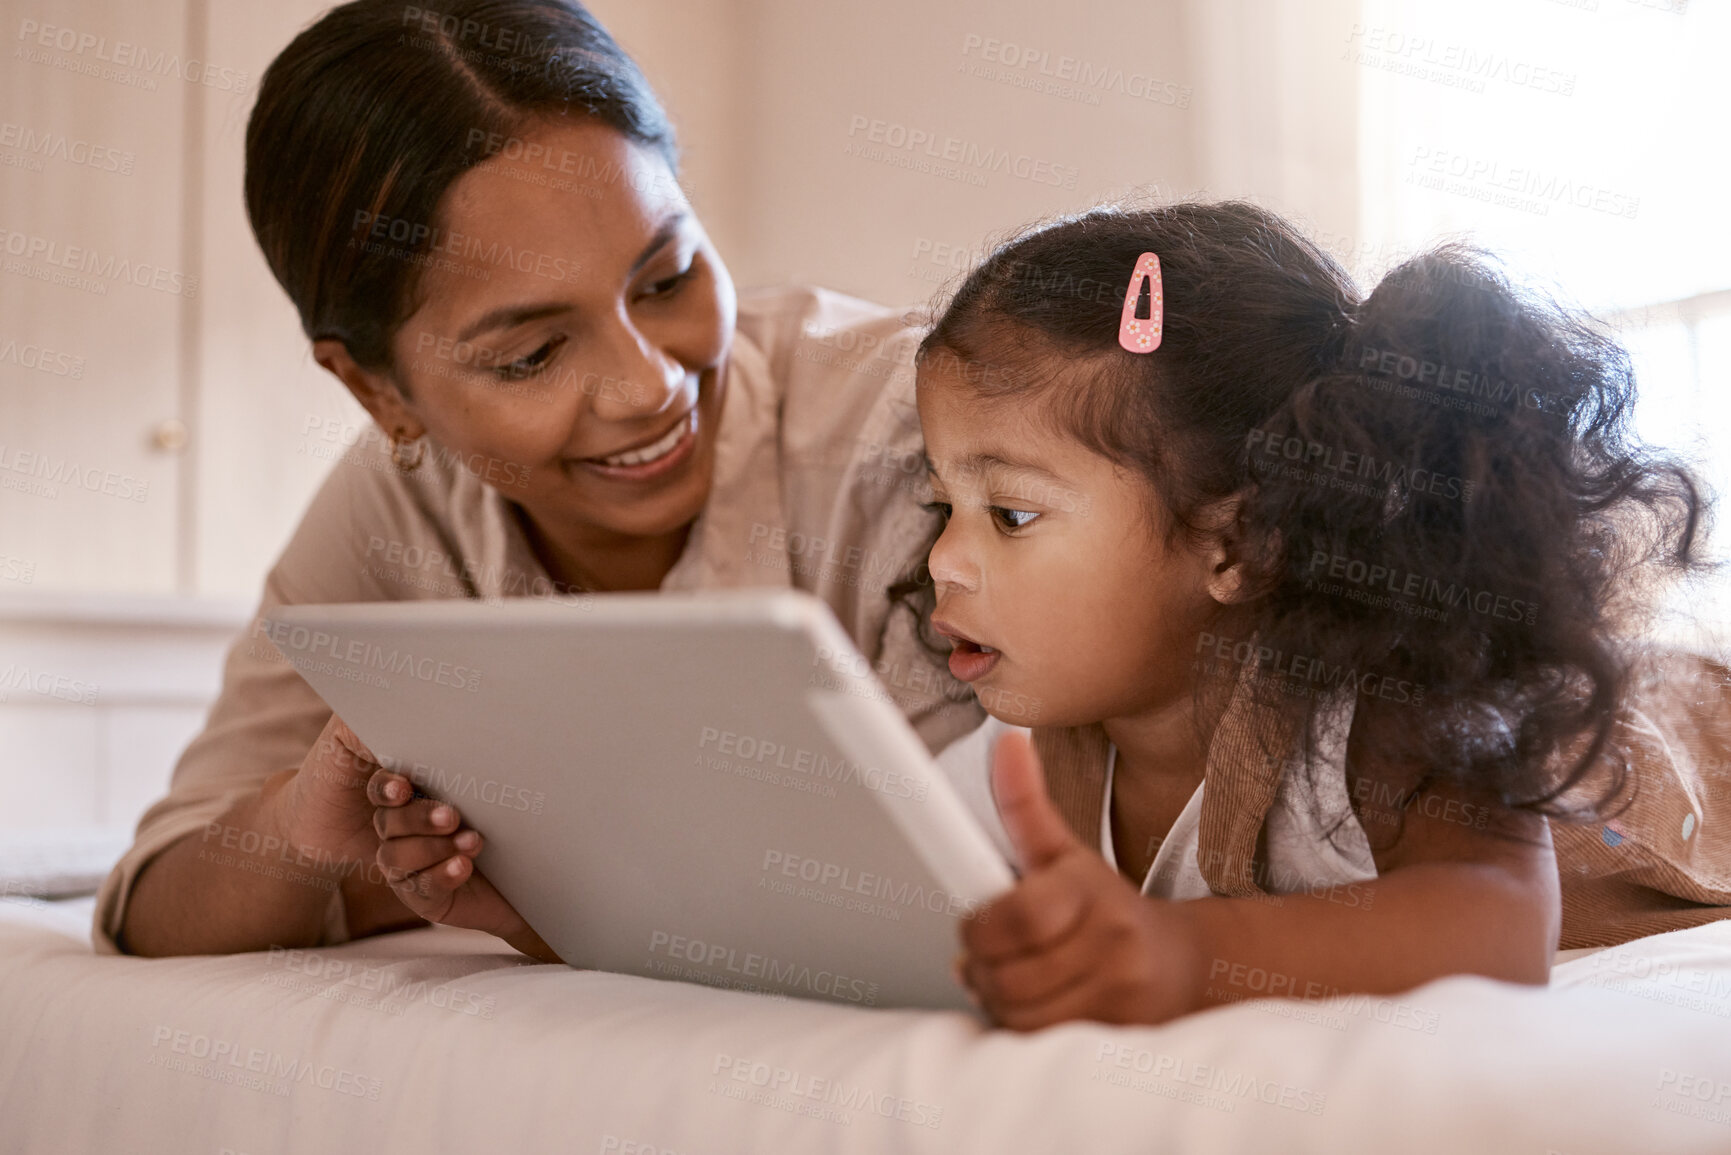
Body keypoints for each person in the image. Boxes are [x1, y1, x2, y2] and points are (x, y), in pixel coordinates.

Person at [98, 0, 985, 959]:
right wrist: (305, 832)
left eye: (667, 278)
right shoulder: (402, 504)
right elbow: (151, 904)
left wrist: (552, 890)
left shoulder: (924, 432)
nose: (649, 385)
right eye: (531, 355)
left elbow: (1002, 886)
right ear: (375, 391)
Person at [882, 200, 1731, 1030]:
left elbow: (1499, 927)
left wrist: (1181, 955)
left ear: (1237, 545)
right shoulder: (1025, 757)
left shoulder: (1381, 693)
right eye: (939, 502)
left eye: (1010, 515)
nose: (941, 560)